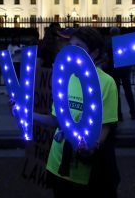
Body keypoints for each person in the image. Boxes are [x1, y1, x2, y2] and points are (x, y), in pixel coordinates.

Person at [29, 27, 120, 198]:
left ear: (93, 53)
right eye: (70, 45)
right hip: (58, 163)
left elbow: (105, 127)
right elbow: (58, 121)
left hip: (88, 170)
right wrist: (28, 115)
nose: (71, 51)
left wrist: (90, 148)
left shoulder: (106, 83)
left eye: (78, 46)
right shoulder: (65, 78)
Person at [104, 27, 135, 121]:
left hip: (113, 70)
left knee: (116, 94)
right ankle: (133, 112)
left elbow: (106, 58)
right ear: (119, 32)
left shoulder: (108, 43)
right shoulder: (124, 41)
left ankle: (119, 115)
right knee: (128, 92)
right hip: (125, 69)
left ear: (111, 33)